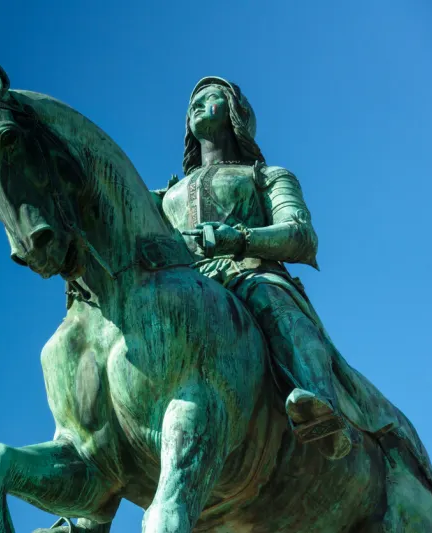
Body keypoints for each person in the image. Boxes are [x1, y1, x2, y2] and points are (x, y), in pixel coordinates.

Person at [156, 76, 357, 458]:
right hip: (184, 285)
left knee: (274, 304)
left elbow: (301, 235)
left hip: (251, 273)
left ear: (235, 112)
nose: (195, 105)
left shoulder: (267, 176)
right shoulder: (167, 195)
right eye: (191, 102)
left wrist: (240, 239)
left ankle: (319, 405)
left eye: (209, 97)